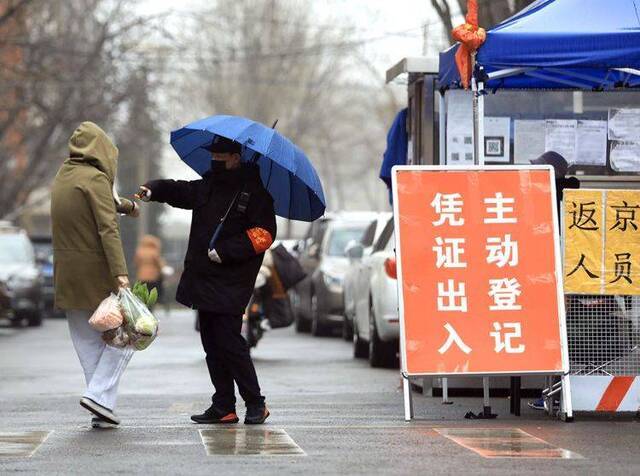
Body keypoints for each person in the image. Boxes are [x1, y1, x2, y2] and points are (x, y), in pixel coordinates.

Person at [136, 136, 276, 425]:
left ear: (236, 157)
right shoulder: (208, 186)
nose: (215, 161)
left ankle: (255, 402)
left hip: (233, 281)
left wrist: (226, 251)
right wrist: (155, 189)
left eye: (221, 157)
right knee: (211, 343)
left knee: (230, 341)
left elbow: (264, 234)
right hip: (204, 279)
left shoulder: (255, 193)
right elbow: (181, 191)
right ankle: (223, 405)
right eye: (213, 156)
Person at [51, 122, 135, 429]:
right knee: (129, 335)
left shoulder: (64, 176)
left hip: (66, 275)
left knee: (89, 343)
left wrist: (128, 206)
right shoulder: (97, 179)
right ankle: (98, 396)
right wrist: (121, 273)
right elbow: (106, 227)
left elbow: (104, 206)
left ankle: (101, 410)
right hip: (95, 275)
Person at [528, 150, 579, 410]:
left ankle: (556, 395)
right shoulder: (565, 199)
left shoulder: (557, 200)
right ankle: (554, 394)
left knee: (559, 337)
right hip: (557, 276)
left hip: (561, 278)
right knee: (558, 337)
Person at [134, 235, 166, 308]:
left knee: (143, 293)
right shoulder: (154, 251)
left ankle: (143, 306)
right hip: (153, 276)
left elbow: (136, 262)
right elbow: (159, 263)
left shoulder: (139, 251)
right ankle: (154, 304)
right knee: (152, 292)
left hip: (141, 276)